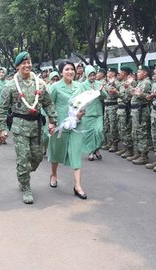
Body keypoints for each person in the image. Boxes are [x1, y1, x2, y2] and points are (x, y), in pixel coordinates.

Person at [0, 52, 57, 204]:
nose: (27, 65)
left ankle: (22, 173)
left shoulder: (40, 84)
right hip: (19, 127)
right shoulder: (10, 85)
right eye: (23, 63)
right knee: (23, 159)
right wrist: (2, 129)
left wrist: (52, 120)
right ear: (17, 66)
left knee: (37, 158)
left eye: (29, 62)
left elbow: (48, 103)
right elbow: (2, 109)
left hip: (36, 126)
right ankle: (26, 186)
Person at [48, 60, 87, 199]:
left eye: (72, 69)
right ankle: (53, 174)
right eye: (66, 69)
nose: (70, 72)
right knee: (56, 152)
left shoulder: (80, 86)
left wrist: (82, 113)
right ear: (61, 72)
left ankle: (78, 185)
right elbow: (48, 105)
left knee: (76, 153)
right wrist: (51, 122)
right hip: (60, 126)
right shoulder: (55, 87)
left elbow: (84, 103)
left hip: (77, 126)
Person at [81, 65, 106, 161]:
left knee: (99, 131)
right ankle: (91, 152)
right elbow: (82, 98)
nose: (92, 77)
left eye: (94, 75)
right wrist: (92, 93)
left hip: (98, 112)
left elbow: (105, 96)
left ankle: (96, 148)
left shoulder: (99, 83)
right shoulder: (83, 85)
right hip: (87, 113)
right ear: (87, 75)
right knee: (89, 135)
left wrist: (100, 92)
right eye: (90, 75)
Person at [128, 65, 152, 165]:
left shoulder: (146, 83)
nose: (137, 74)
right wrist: (130, 87)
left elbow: (144, 97)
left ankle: (144, 156)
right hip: (136, 111)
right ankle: (138, 152)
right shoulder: (141, 82)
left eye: (139, 72)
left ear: (145, 73)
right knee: (136, 132)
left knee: (141, 133)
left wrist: (132, 89)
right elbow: (133, 93)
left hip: (141, 110)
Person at [112, 66, 134, 158]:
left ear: (124, 73)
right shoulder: (122, 83)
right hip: (120, 109)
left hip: (125, 109)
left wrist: (117, 93)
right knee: (121, 130)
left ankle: (129, 150)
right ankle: (125, 148)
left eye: (120, 73)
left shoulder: (130, 83)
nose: (119, 74)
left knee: (126, 130)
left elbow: (127, 98)